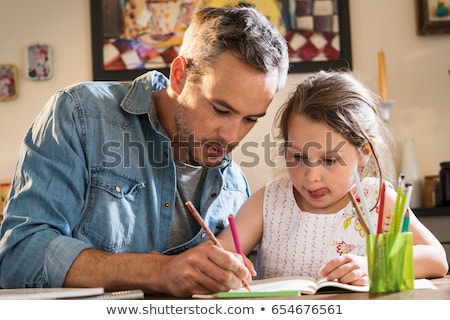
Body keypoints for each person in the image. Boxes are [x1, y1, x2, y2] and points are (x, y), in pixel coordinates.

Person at [0, 6, 289, 297]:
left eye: (251, 119)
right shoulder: (80, 114)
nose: (232, 136)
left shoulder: (236, 188)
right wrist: (160, 271)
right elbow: (20, 255)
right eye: (220, 109)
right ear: (179, 76)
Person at [218, 71, 448, 285]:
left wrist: (374, 265)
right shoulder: (268, 201)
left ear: (364, 152)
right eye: (297, 156)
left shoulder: (379, 199)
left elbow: (436, 259)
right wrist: (227, 266)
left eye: (329, 160)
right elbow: (219, 253)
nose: (311, 176)